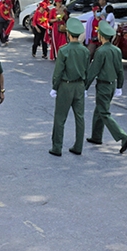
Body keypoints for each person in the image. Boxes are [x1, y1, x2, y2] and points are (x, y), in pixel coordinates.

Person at [85, 21, 127, 153]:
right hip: (112, 85)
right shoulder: (116, 50)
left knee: (103, 112)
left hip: (103, 85)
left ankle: (123, 136)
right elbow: (120, 70)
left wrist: (85, 87)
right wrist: (120, 86)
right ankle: (96, 136)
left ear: (101, 36)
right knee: (99, 110)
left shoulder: (101, 51)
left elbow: (93, 70)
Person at [49, 18, 89, 156]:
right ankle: (78, 146)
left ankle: (57, 147)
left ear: (68, 34)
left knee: (60, 118)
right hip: (79, 85)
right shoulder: (85, 51)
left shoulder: (64, 50)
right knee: (80, 117)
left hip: (66, 86)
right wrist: (85, 87)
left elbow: (58, 71)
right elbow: (87, 70)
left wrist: (54, 87)